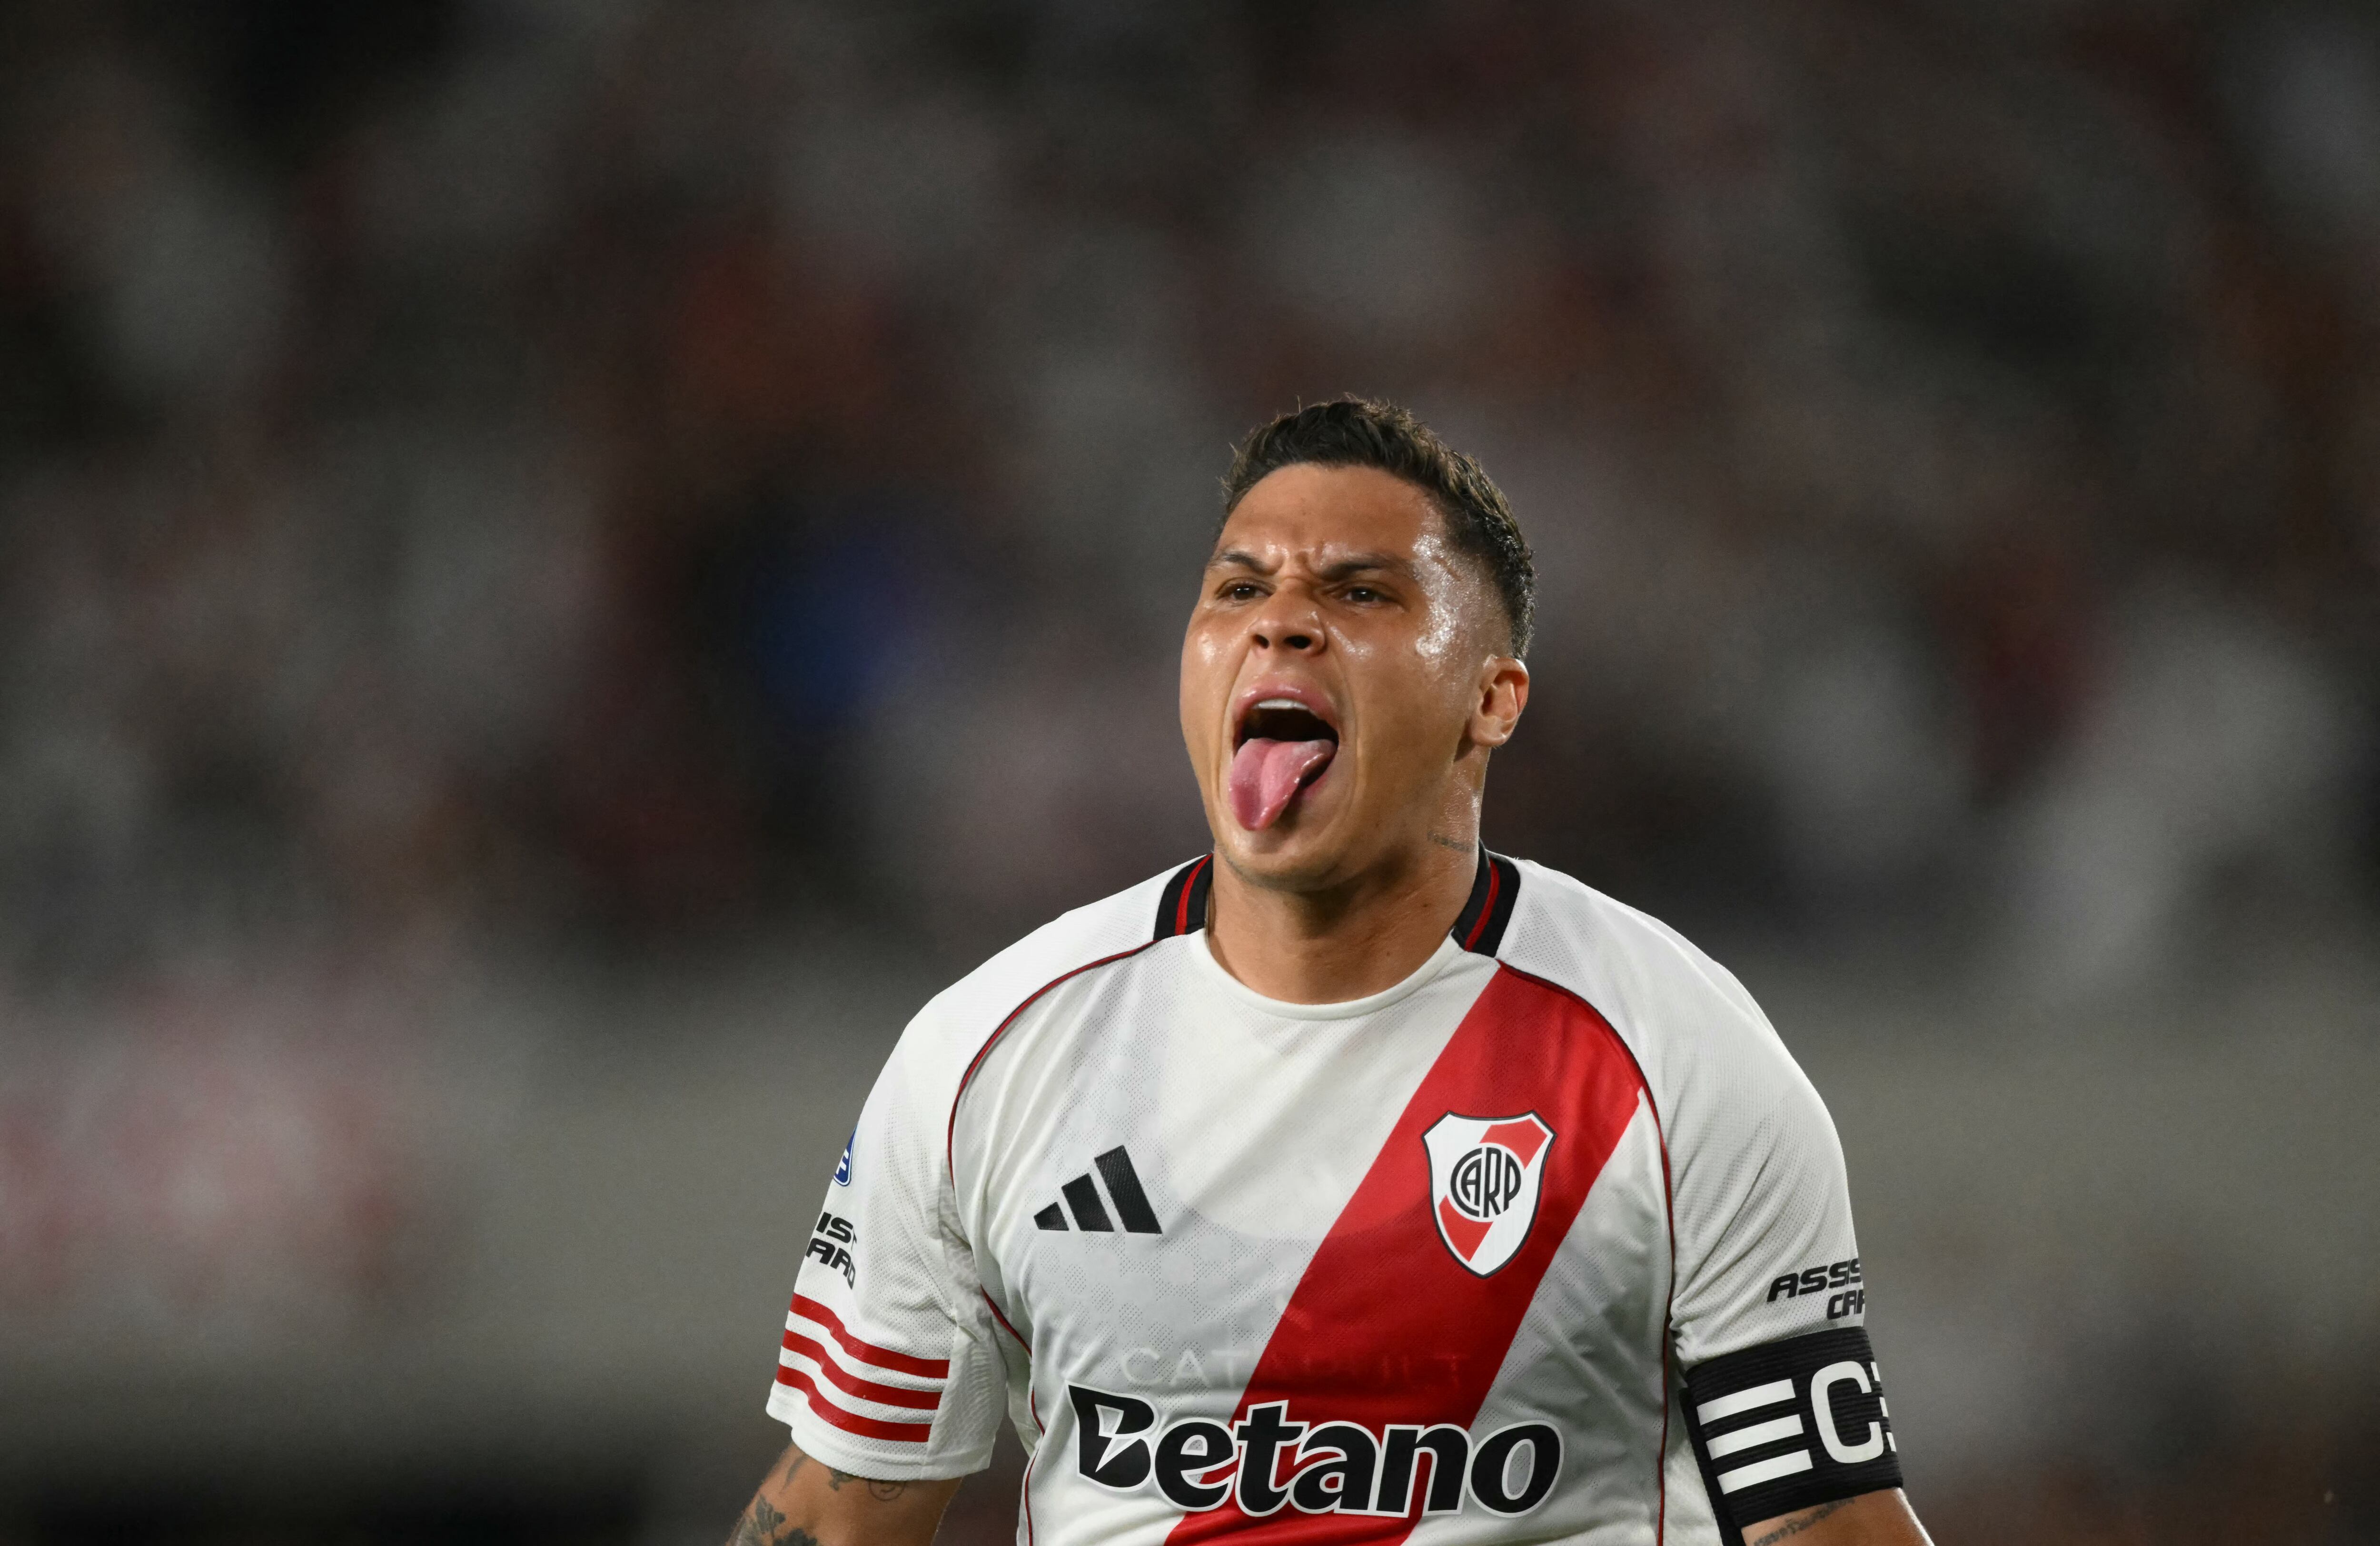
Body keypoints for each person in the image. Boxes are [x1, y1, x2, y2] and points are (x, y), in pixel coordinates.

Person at [728, 399, 1934, 1546]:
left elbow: (1824, 1524)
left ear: (1490, 700)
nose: (1282, 619)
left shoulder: (1673, 1060)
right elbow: (839, 1514)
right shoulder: (988, 1054)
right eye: (1239, 587)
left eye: (1361, 590)